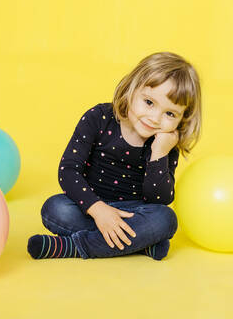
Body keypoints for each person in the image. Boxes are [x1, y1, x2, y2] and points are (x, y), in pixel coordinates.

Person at [27, 52, 202, 260]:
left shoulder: (164, 143)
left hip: (134, 213)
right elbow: (68, 170)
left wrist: (159, 154)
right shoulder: (99, 118)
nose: (155, 118)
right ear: (131, 90)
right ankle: (141, 244)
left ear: (183, 119)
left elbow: (159, 200)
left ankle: (72, 247)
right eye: (148, 102)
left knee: (166, 219)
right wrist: (98, 210)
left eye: (170, 114)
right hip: (90, 207)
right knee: (55, 209)